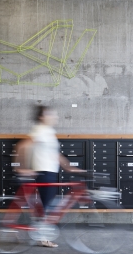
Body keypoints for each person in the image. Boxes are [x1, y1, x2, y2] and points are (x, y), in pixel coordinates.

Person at [15, 105, 85, 248]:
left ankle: (32, 232)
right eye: (50, 114)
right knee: (45, 207)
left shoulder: (48, 132)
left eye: (54, 114)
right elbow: (23, 146)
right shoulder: (40, 130)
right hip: (44, 172)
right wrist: (21, 167)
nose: (55, 117)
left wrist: (68, 167)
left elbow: (55, 154)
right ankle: (42, 237)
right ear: (42, 117)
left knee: (46, 205)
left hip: (50, 172)